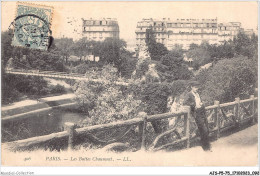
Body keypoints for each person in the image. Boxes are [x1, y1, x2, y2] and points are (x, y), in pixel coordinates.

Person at [183, 81, 212, 151]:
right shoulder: (189, 94)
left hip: (202, 112)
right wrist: (194, 105)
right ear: (191, 87)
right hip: (197, 113)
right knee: (204, 130)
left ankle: (205, 144)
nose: (197, 89)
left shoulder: (197, 94)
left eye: (197, 87)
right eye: (195, 87)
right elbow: (185, 102)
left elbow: (200, 101)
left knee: (207, 130)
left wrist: (201, 103)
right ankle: (206, 147)